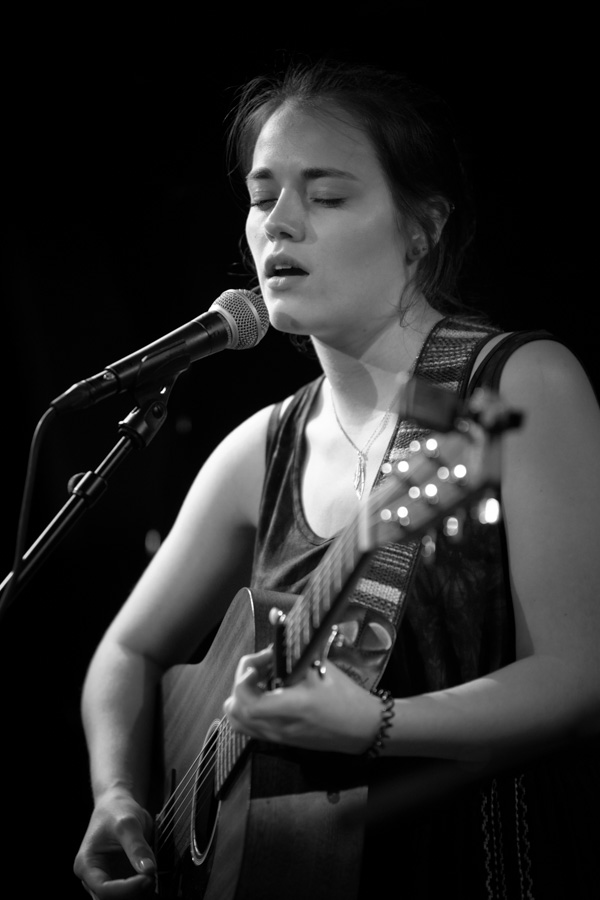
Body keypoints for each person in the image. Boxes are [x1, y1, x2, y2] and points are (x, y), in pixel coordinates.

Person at [73, 59, 600, 899]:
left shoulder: (515, 385)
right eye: (262, 197)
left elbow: (577, 678)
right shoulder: (263, 447)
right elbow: (125, 650)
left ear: (422, 228)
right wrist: (117, 797)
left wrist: (380, 724)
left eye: (325, 196)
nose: (280, 223)